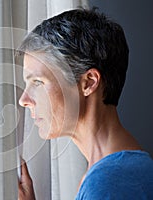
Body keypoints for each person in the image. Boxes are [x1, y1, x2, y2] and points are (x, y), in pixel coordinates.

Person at [16, 8, 153, 200]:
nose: (24, 100)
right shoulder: (123, 172)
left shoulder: (108, 184)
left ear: (88, 82)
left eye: (38, 82)